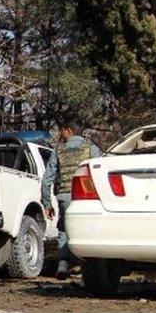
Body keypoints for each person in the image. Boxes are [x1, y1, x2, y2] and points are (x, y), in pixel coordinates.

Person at [42, 119, 102, 279]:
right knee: (88, 230)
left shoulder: (58, 151)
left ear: (68, 130)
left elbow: (47, 179)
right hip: (86, 198)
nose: (60, 134)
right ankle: (87, 267)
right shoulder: (92, 149)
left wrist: (47, 203)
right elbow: (99, 174)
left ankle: (63, 265)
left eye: (61, 130)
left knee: (64, 229)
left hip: (64, 196)